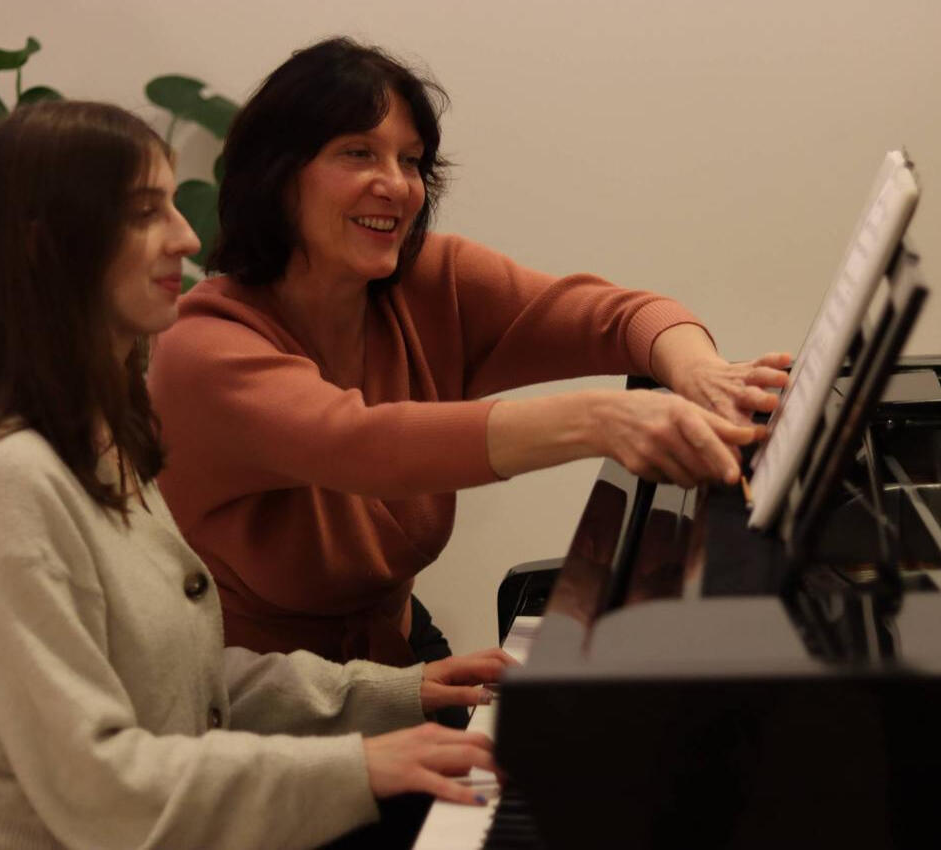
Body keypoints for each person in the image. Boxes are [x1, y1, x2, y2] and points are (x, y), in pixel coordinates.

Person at [0, 99, 510, 850]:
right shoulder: (6, 484)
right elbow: (98, 786)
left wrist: (398, 691)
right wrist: (357, 769)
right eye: (144, 212)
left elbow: (185, 689)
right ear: (44, 245)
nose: (187, 237)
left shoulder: (102, 447)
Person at [148, 37, 790, 675]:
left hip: (399, 663)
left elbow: (622, 317)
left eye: (410, 161)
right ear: (277, 173)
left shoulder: (430, 281)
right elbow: (359, 444)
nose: (396, 185)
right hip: (251, 702)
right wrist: (602, 421)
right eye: (358, 153)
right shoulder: (204, 346)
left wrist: (704, 373)